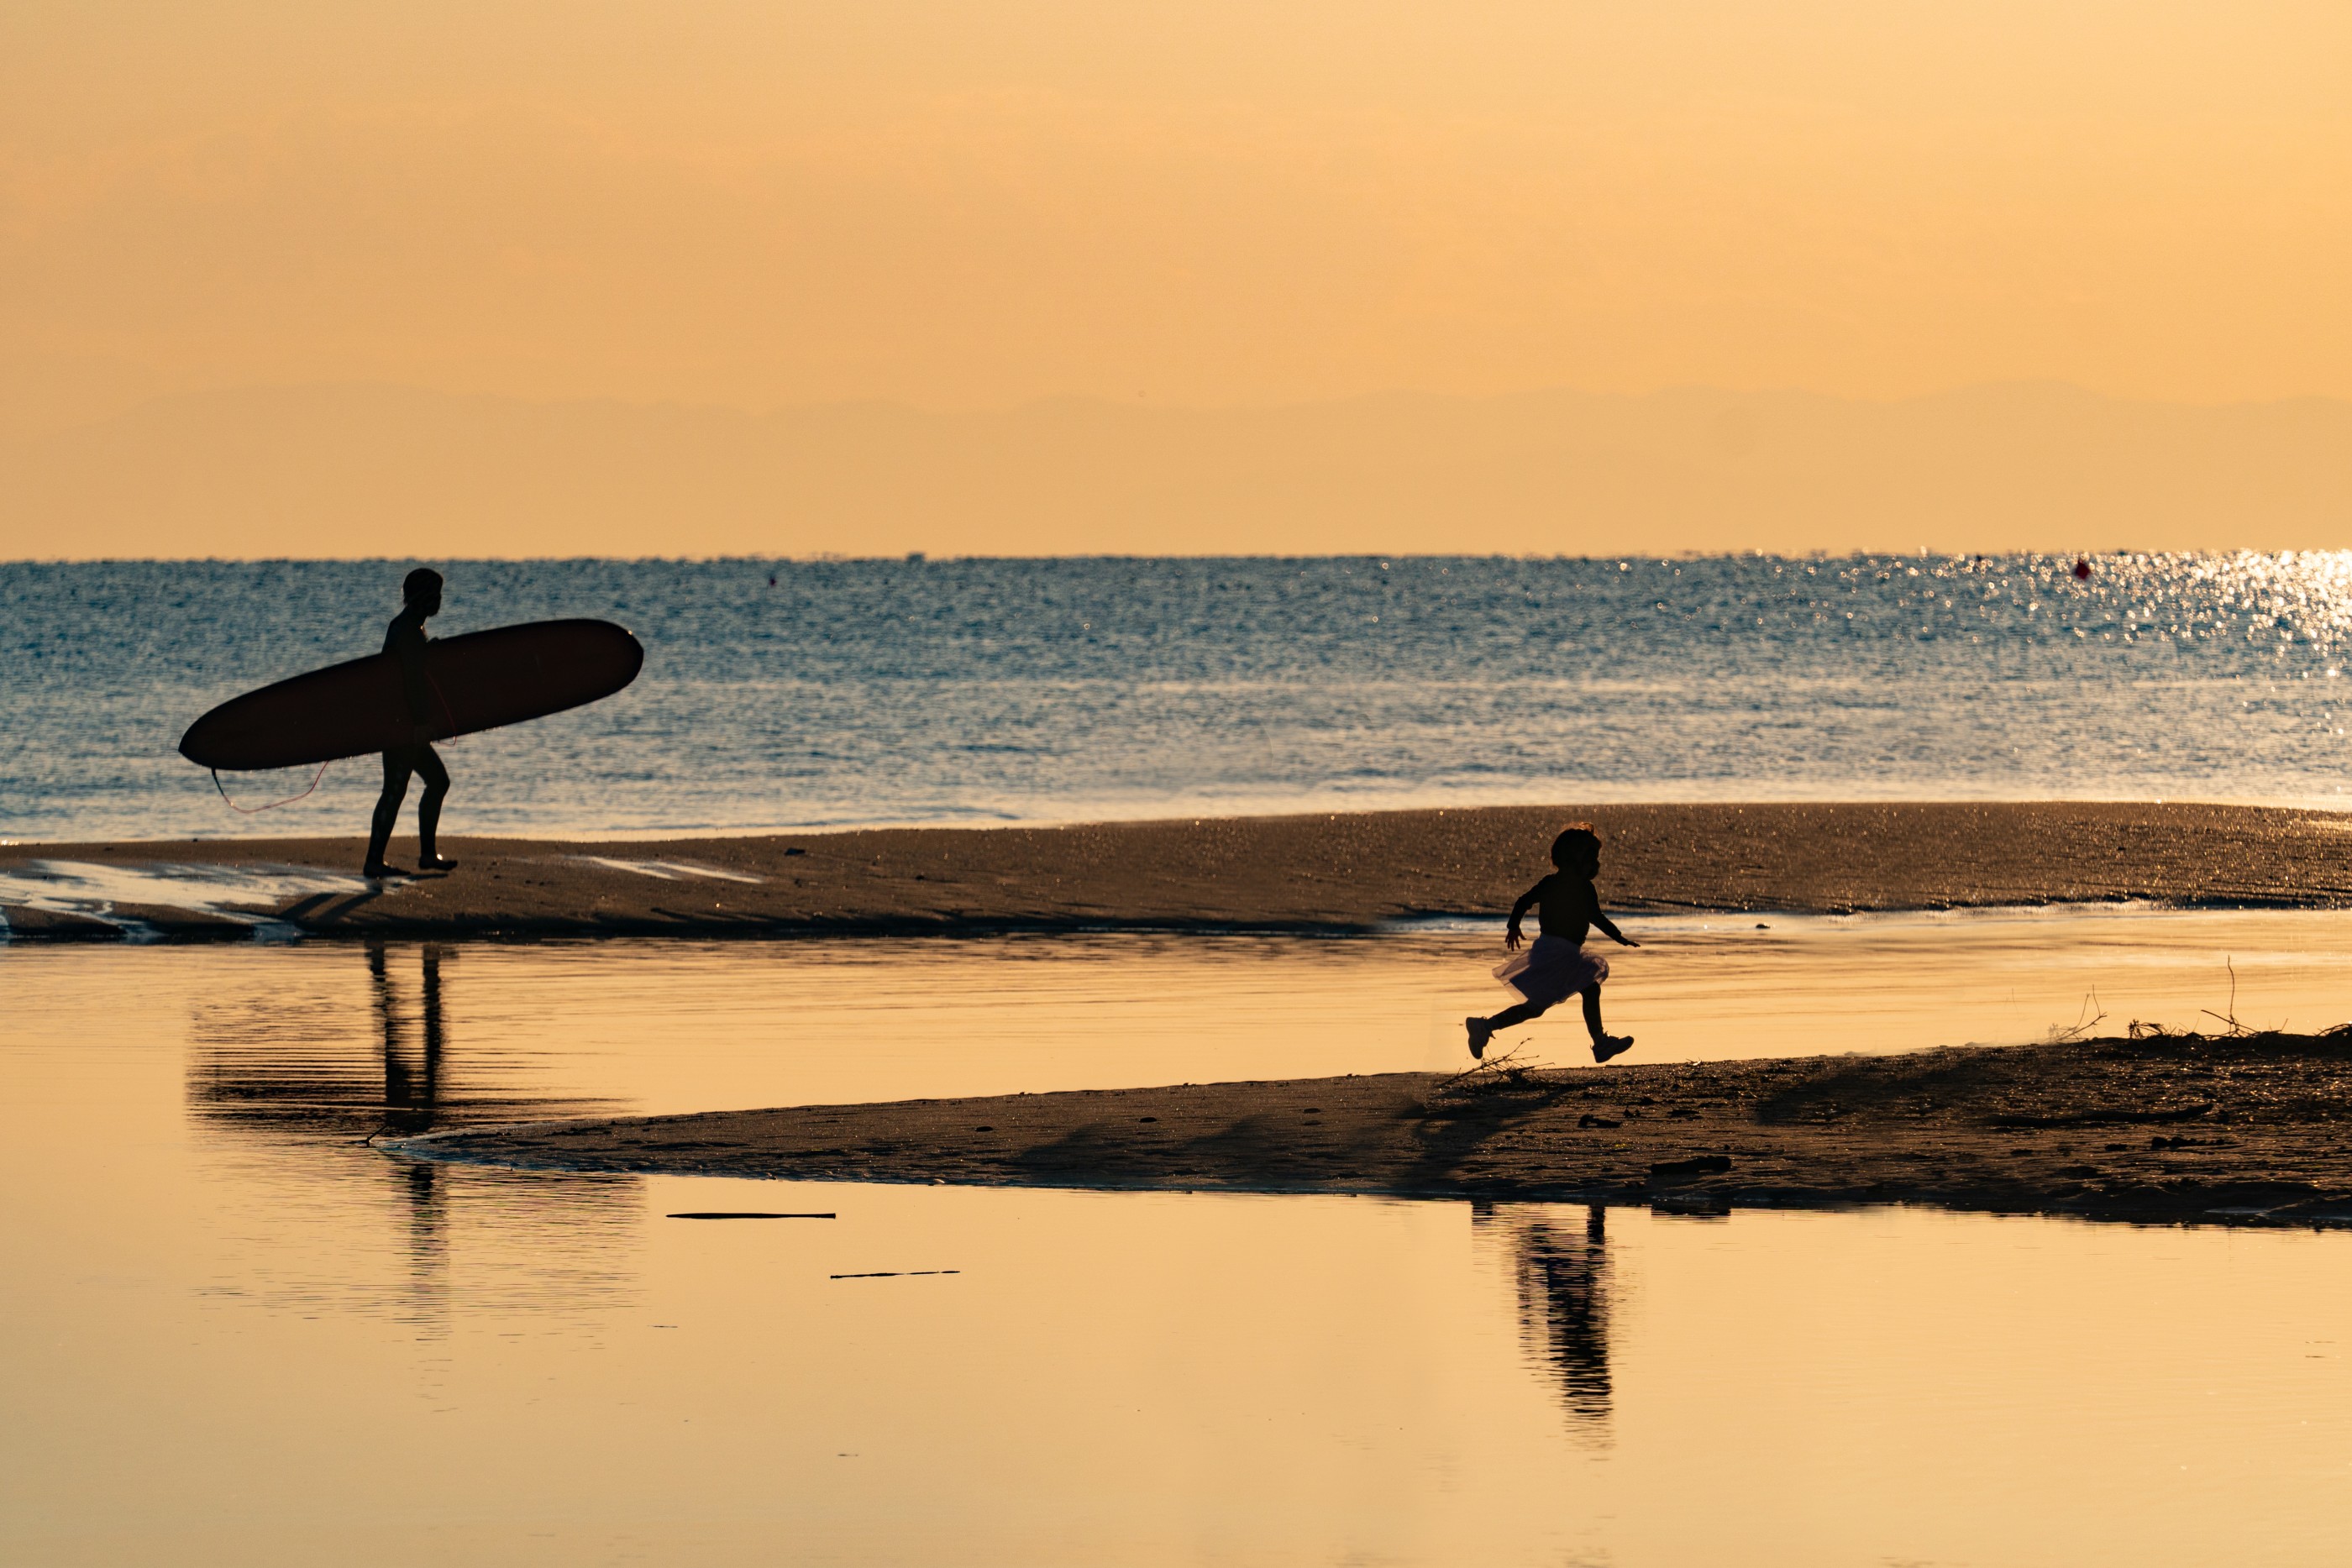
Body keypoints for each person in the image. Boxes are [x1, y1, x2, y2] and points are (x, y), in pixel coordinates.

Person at [1466, 823, 1638, 1062]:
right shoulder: (1579, 888)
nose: (1595, 863)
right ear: (1577, 858)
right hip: (1557, 953)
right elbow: (1595, 917)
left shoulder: (1557, 884)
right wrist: (1618, 937)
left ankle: (1484, 1027)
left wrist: (1514, 925)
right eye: (1592, 857)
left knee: (1536, 1008)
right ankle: (1600, 1043)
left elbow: (1524, 902)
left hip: (1552, 951)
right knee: (1586, 989)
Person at [362, 569, 457, 878]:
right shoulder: (410, 632)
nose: (439, 600)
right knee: (406, 788)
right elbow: (412, 682)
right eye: (435, 594)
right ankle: (381, 861)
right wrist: (419, 724)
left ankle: (408, 857)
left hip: (398, 724)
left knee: (401, 788)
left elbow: (410, 669)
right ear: (421, 596)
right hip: (403, 727)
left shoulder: (406, 628)